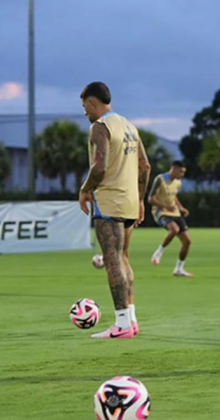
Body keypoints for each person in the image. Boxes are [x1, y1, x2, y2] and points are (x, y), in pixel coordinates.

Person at [78, 81, 150, 339]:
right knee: (124, 259)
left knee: (112, 260)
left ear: (92, 102)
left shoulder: (100, 127)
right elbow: (145, 166)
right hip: (130, 202)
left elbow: (99, 167)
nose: (85, 111)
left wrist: (85, 189)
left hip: (110, 201)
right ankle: (131, 320)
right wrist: (141, 200)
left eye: (84, 105)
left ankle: (120, 325)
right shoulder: (128, 125)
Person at [149, 161, 193, 277]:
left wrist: (181, 208)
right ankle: (158, 253)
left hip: (174, 212)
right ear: (173, 168)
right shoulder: (160, 179)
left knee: (187, 242)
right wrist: (166, 206)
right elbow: (151, 199)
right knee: (174, 229)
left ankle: (179, 269)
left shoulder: (178, 182)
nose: (182, 174)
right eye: (181, 171)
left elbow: (173, 197)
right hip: (161, 212)